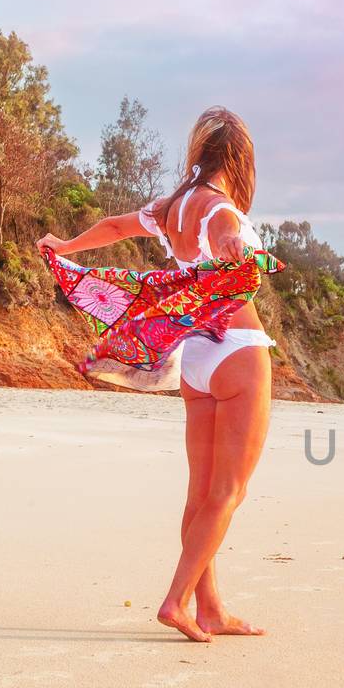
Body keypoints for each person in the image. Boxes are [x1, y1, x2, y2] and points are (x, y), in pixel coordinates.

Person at [36, 107, 273, 643]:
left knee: (201, 495)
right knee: (228, 493)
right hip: (237, 351)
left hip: (195, 361)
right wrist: (235, 245)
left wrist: (65, 247)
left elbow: (117, 227)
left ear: (201, 155)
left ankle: (210, 608)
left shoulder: (171, 208)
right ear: (238, 162)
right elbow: (228, 231)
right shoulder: (220, 210)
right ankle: (176, 600)